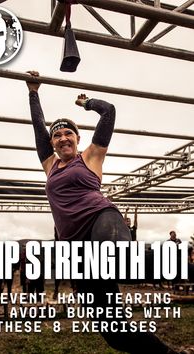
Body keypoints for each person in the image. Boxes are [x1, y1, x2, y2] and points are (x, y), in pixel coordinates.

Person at [26, 71, 187, 354]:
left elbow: (109, 112)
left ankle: (181, 264)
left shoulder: (90, 156)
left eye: (68, 133)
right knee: (116, 334)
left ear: (77, 138)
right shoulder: (50, 165)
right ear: (52, 143)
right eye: (57, 135)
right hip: (77, 249)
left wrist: (87, 103)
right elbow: (38, 127)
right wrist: (33, 92)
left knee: (118, 257)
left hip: (102, 220)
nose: (62, 138)